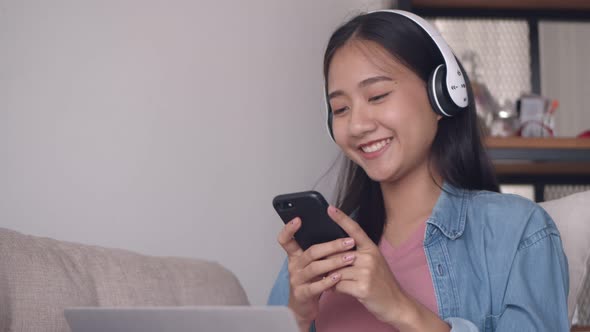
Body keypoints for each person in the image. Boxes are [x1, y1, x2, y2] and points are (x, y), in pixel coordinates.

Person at [268, 9, 569, 332]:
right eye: (341, 109)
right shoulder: (317, 252)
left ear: (442, 94)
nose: (356, 125)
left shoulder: (517, 231)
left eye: (378, 95)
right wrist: (295, 317)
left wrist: (402, 308)